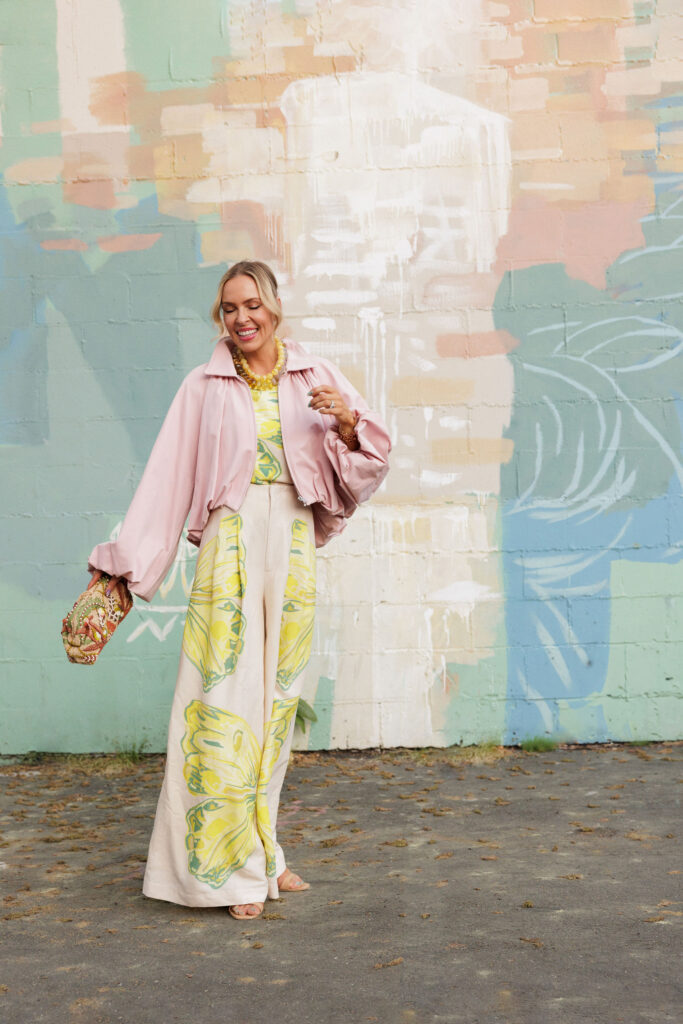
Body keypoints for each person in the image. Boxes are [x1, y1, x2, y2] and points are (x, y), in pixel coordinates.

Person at [87, 260, 391, 920]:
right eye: (228, 309)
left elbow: (370, 467)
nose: (241, 317)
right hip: (228, 545)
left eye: (251, 304)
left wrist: (345, 426)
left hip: (292, 543)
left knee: (277, 705)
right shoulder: (203, 386)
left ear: (274, 308)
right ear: (219, 319)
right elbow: (166, 483)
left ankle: (265, 852)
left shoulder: (316, 376)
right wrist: (123, 571)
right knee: (222, 703)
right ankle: (222, 873)